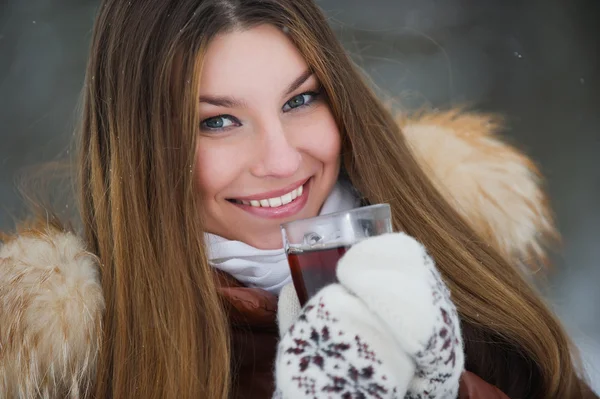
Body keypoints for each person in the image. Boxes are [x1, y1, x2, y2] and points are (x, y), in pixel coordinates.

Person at [0, 0, 597, 398]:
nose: (282, 160)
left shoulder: (457, 261)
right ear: (143, 152)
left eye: (298, 101)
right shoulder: (81, 367)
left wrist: (442, 387)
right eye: (218, 122)